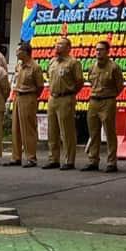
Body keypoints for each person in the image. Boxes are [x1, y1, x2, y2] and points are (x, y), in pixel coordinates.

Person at [43, 37, 84, 170]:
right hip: (52, 98)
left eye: (61, 44)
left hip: (66, 98)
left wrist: (71, 92)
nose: (57, 46)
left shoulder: (73, 63)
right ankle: (53, 158)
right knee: (52, 130)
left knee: (67, 131)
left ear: (68, 48)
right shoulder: (52, 62)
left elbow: (79, 81)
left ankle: (69, 160)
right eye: (57, 44)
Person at [83, 40, 124, 173]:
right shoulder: (92, 67)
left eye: (101, 50)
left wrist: (110, 95)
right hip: (94, 101)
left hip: (108, 101)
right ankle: (93, 160)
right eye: (96, 50)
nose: (98, 52)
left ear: (107, 52)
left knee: (109, 132)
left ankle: (111, 162)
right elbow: (91, 82)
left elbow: (119, 86)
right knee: (93, 132)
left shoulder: (114, 67)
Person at [4, 42, 44, 167]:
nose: (16, 53)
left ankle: (31, 157)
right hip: (17, 97)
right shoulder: (19, 66)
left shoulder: (35, 67)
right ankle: (16, 157)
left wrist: (32, 95)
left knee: (28, 128)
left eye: (18, 51)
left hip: (28, 97)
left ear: (25, 52)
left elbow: (40, 86)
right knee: (16, 128)